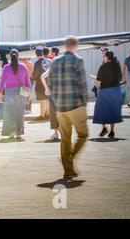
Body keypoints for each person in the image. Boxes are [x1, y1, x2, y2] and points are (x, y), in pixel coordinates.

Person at [46, 36, 89, 179]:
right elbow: (82, 83)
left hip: (61, 107)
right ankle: (70, 157)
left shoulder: (55, 61)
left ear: (64, 46)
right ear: (76, 46)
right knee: (83, 135)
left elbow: (50, 82)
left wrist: (56, 101)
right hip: (76, 105)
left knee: (65, 139)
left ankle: (68, 170)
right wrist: (85, 102)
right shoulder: (78, 60)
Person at [0, 49, 31, 141]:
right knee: (20, 114)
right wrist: (28, 93)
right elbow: (28, 82)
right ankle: (19, 134)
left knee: (9, 113)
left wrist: (0, 93)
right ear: (18, 56)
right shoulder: (24, 67)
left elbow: (2, 81)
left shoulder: (6, 67)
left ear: (10, 56)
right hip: (21, 93)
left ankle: (11, 132)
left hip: (9, 92)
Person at [92, 50, 123, 138]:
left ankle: (104, 128)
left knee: (102, 110)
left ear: (106, 57)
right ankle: (112, 131)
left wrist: (94, 78)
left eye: (103, 56)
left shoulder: (103, 66)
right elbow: (120, 78)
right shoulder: (117, 65)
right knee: (113, 109)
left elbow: (98, 79)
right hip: (116, 89)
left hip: (105, 90)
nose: (103, 57)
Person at [32, 47, 51, 120]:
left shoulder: (37, 63)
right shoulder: (49, 61)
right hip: (49, 83)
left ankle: (42, 115)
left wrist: (32, 79)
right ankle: (48, 113)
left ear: (36, 54)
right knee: (48, 99)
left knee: (42, 100)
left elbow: (35, 75)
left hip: (40, 84)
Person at [40, 68, 60, 141]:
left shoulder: (52, 67)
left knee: (54, 113)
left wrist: (46, 88)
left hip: (53, 93)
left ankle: (56, 133)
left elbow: (42, 76)